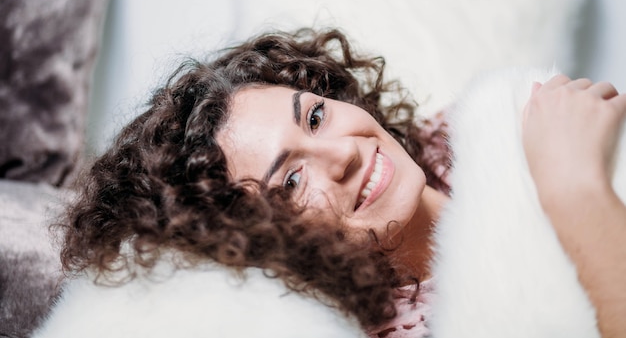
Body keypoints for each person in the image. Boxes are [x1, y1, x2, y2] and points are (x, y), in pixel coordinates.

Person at [59, 29, 626, 337]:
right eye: (290, 181)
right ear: (263, 242)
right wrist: (572, 188)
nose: (343, 155)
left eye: (314, 116)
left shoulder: (476, 126)